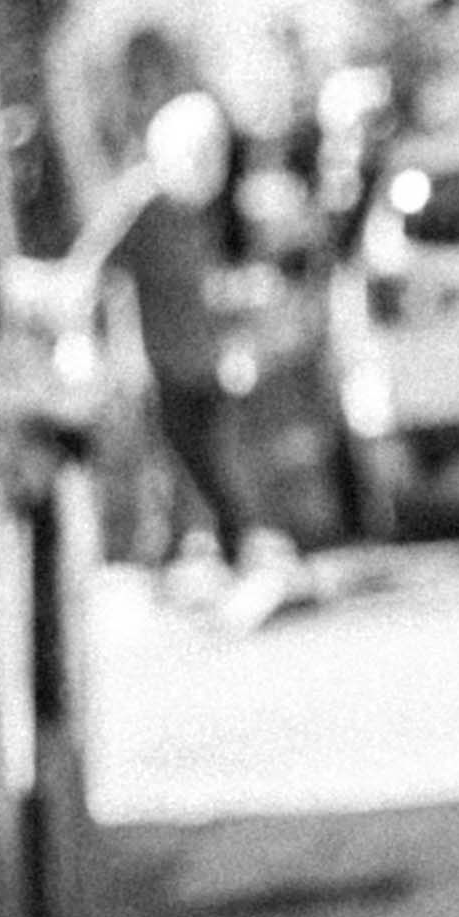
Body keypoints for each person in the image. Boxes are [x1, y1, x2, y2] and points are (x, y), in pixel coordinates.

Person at [75, 88, 305, 619]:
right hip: (158, 367)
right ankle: (209, 561)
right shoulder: (143, 204)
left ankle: (211, 563)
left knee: (207, 468)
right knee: (189, 469)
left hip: (207, 363)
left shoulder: (204, 210)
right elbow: (92, 273)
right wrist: (93, 345)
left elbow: (210, 285)